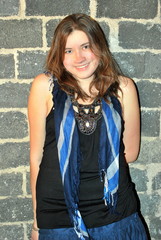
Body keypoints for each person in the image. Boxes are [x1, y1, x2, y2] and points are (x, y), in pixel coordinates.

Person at [28, 13, 148, 240]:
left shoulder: (123, 88)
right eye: (68, 50)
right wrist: (36, 223)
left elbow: (130, 154)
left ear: (99, 47)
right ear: (59, 54)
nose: (79, 58)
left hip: (115, 213)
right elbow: (36, 158)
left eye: (86, 46)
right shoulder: (43, 86)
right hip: (57, 215)